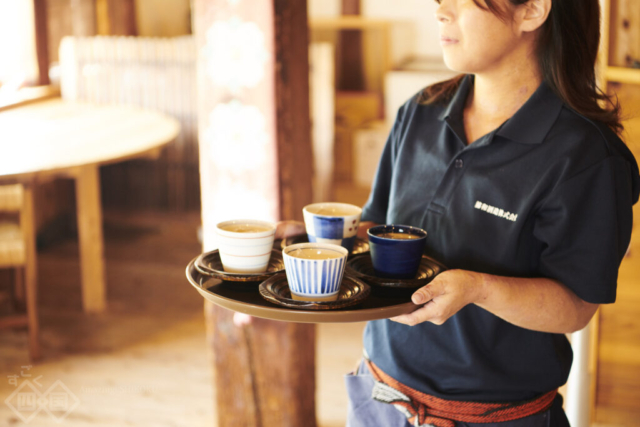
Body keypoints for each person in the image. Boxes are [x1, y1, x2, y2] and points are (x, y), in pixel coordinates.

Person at [345, 0, 640, 426]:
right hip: (378, 398)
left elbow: (576, 305)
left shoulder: (586, 158)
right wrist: (314, 243)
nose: (441, 12)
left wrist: (477, 289)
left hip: (495, 418)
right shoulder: (420, 111)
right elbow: (375, 226)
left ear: (533, 11)